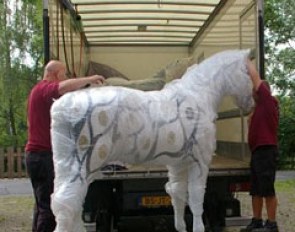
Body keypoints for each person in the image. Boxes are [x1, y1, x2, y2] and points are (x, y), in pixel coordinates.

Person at [25, 60, 105, 232]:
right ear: (55, 73)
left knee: (42, 205)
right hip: (43, 156)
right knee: (49, 208)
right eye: (64, 73)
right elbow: (61, 88)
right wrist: (89, 79)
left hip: (36, 156)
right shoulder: (43, 89)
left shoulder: (37, 93)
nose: (66, 76)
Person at [244, 60, 279, 232]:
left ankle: (272, 224)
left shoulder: (268, 101)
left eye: (255, 90)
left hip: (266, 151)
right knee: (256, 190)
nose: (253, 92)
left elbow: (256, 79)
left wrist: (246, 62)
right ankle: (257, 220)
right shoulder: (259, 108)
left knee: (267, 189)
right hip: (258, 152)